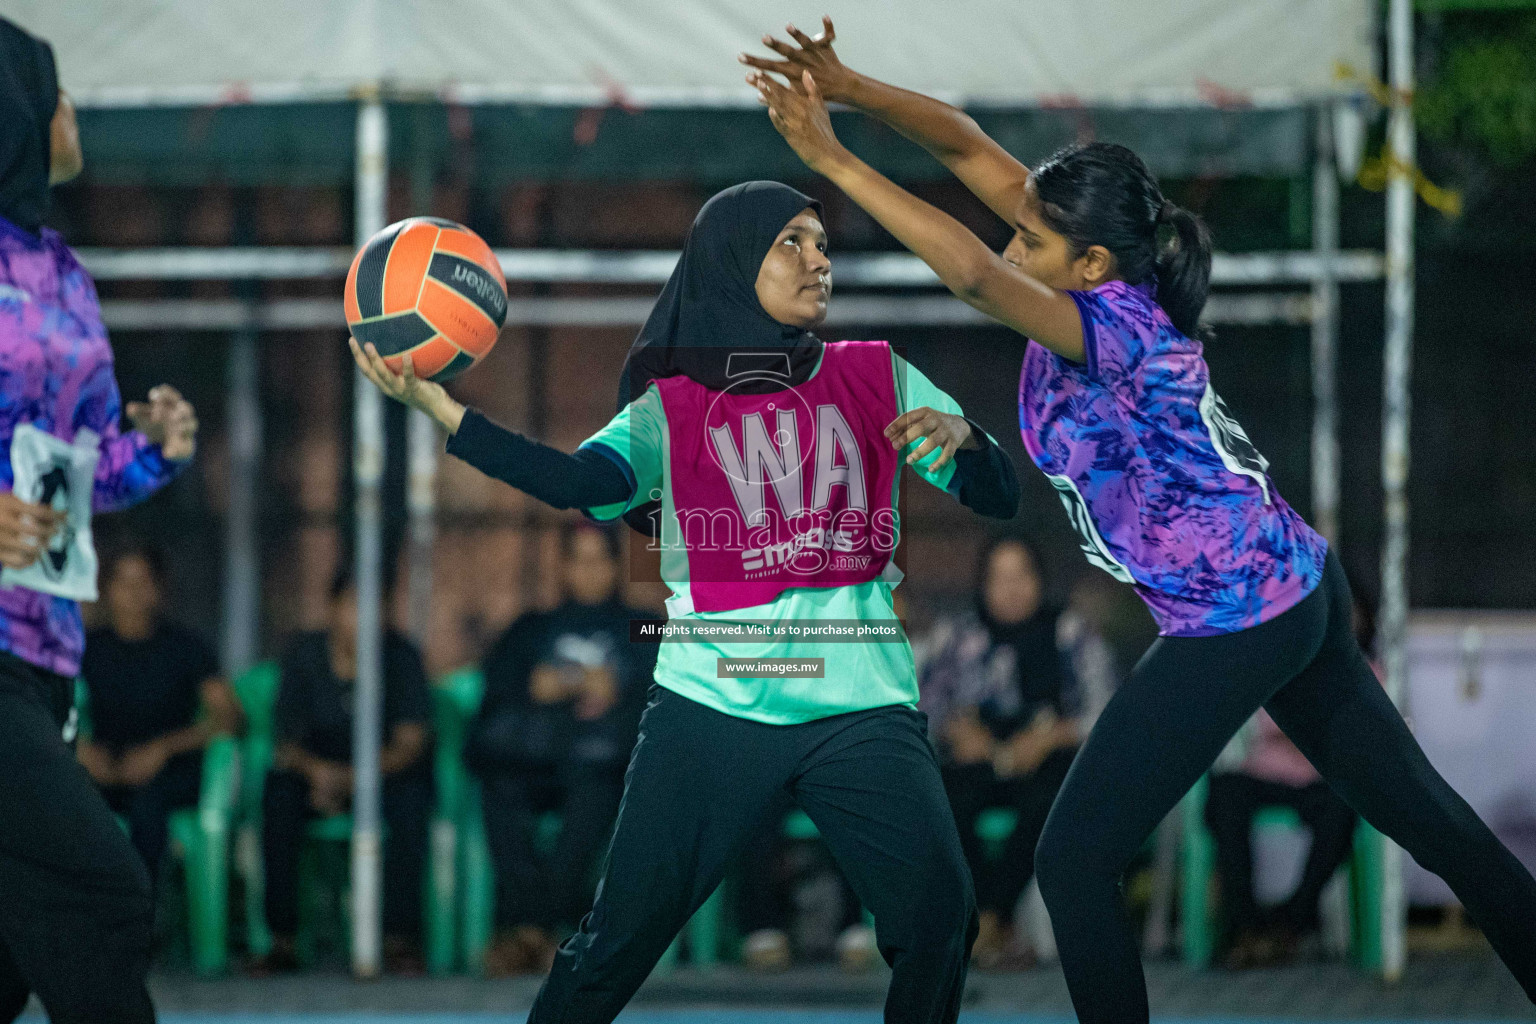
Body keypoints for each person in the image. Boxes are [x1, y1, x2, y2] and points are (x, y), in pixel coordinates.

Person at [746, 21, 1536, 1021]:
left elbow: (974, 278)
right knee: (1438, 826)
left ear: (1091, 264)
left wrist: (828, 158)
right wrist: (847, 82)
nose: (1010, 239)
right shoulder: (1084, 268)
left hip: (1242, 615)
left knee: (1073, 859)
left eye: (1030, 237)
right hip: (1293, 586)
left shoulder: (1109, 321)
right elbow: (961, 143)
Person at [351, 180, 1020, 1024]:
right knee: (616, 945)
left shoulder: (878, 374)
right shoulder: (673, 409)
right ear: (735, 262)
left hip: (861, 705)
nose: (819, 259)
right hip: (714, 701)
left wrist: (972, 440)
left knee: (938, 920)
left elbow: (997, 498)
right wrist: (446, 412)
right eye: (793, 242)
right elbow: (578, 482)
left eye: (822, 242)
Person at [0, 17, 198, 1023]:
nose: (73, 113)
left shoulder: (60, 273)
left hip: (47, 649)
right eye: (57, 93)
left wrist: (151, 450)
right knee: (103, 897)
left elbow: (78, 476)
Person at [466, 522, 659, 976]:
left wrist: (621, 689)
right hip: (531, 760)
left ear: (615, 567)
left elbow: (670, 695)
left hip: (603, 764)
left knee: (595, 794)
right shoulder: (532, 627)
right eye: (579, 559)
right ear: (565, 568)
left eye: (600, 560)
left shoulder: (644, 625)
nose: (589, 571)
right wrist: (539, 687)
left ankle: (527, 929)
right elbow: (495, 696)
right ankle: (545, 931)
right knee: (499, 789)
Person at [918, 536, 1111, 969]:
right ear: (982, 584)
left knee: (1054, 800)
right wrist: (957, 730)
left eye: (1021, 575)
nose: (1011, 589)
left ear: (1040, 580)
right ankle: (990, 919)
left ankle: (990, 918)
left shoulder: (1070, 632)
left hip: (1044, 762)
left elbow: (1104, 711)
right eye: (998, 578)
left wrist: (1053, 736)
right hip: (976, 761)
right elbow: (925, 706)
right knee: (941, 797)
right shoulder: (958, 635)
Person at [255, 569, 433, 975]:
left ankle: (400, 940)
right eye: (354, 605)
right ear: (333, 609)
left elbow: (411, 742)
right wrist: (319, 774)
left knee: (412, 802)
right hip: (315, 773)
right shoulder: (304, 654)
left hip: (384, 773)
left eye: (376, 607)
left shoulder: (402, 657)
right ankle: (281, 939)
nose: (365, 618)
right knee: (278, 796)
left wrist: (356, 780)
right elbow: (285, 741)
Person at [1205, 590, 1378, 968]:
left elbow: (1366, 736)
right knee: (1225, 792)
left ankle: (1290, 922)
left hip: (1325, 784)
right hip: (1267, 774)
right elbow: (1275, 723)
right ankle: (1244, 924)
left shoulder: (1370, 671)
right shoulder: (1280, 662)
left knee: (1342, 811)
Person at [78, 542, 244, 879]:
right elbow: (47, 708)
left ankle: (144, 917)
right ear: (107, 589)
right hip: (108, 766)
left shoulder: (187, 648)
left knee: (148, 809)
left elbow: (230, 718)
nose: (134, 594)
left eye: (144, 583)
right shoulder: (86, 648)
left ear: (160, 589)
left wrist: (164, 749)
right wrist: (82, 751)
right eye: (123, 583)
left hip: (170, 772)